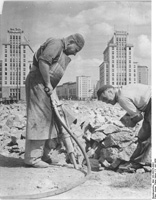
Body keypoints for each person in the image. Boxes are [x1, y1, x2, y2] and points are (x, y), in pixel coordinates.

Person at [24, 33, 85, 168]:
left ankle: (43, 155)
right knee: (39, 118)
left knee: (49, 120)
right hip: (38, 83)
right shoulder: (56, 44)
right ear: (71, 42)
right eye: (76, 50)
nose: (74, 54)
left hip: (45, 85)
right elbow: (44, 62)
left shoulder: (61, 49)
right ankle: (32, 158)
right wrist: (48, 83)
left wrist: (50, 86)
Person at [97, 84, 151, 163]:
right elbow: (135, 109)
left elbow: (138, 117)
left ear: (110, 91)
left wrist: (129, 124)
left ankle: (143, 162)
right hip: (149, 104)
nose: (106, 102)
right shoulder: (123, 91)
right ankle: (138, 161)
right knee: (143, 135)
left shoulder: (121, 98)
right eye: (104, 101)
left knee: (148, 136)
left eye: (105, 99)